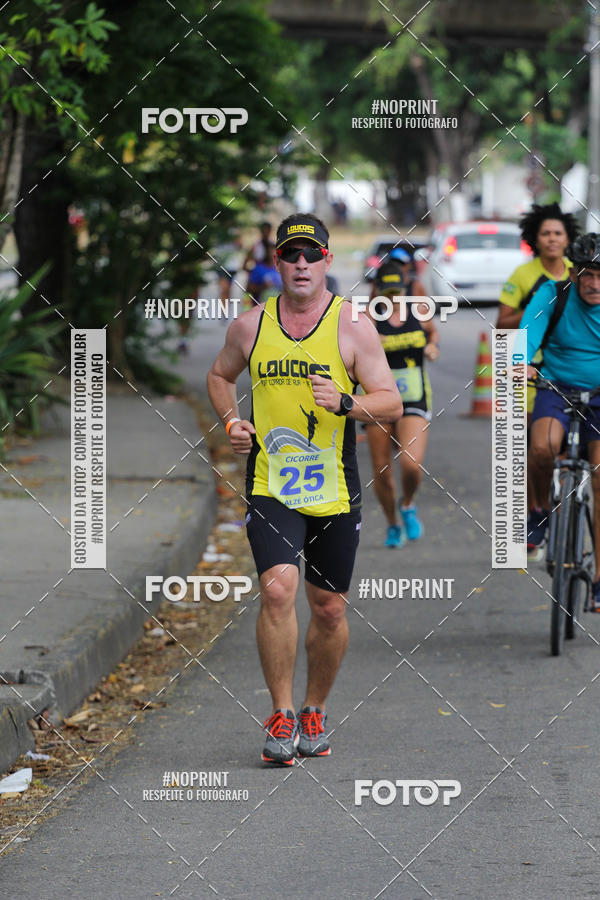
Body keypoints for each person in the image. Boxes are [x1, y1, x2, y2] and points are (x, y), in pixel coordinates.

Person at [207, 213, 403, 765]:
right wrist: (231, 423)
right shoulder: (250, 326)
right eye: (290, 255)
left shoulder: (353, 326)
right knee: (276, 590)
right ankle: (281, 713)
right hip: (272, 483)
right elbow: (219, 376)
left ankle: (314, 707)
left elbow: (391, 400)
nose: (300, 264)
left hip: (335, 487)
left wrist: (347, 403)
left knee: (330, 609)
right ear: (276, 263)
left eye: (310, 255)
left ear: (327, 262)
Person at [521, 233, 600, 606]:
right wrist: (520, 362)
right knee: (541, 449)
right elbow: (525, 336)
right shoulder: (553, 293)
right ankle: (539, 510)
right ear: (573, 271)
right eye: (586, 273)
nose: (594, 283)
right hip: (556, 388)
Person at [496, 202, 579, 551]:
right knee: (538, 446)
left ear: (567, 238)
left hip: (575, 372)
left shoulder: (582, 272)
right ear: (535, 238)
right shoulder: (523, 275)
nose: (552, 239)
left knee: (570, 448)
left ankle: (572, 498)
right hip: (533, 369)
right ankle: (537, 509)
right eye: (545, 233)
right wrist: (538, 310)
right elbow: (503, 321)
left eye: (558, 233)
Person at [364, 260, 439, 548]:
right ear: (378, 289)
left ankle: (407, 504)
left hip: (414, 398)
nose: (393, 297)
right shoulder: (368, 319)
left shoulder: (418, 311)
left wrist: (432, 346)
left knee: (410, 464)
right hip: (378, 401)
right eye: (388, 290)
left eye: (398, 290)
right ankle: (393, 523)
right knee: (382, 471)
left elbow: (432, 333)